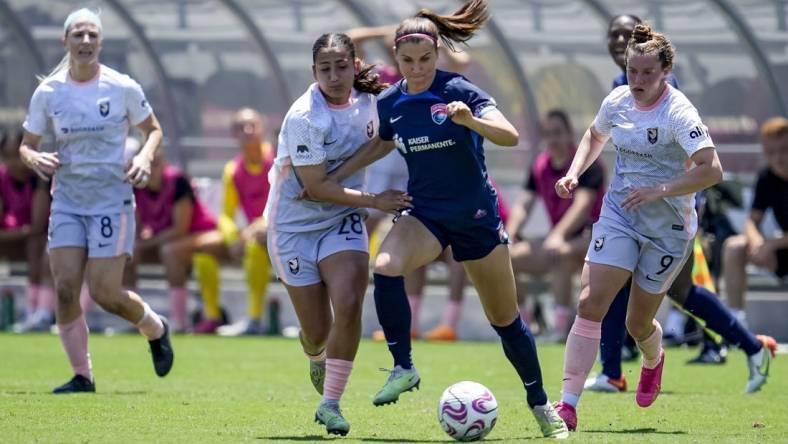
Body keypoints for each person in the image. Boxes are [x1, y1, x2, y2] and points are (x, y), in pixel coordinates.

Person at [330, 1, 568, 438]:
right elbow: (382, 143)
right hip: (426, 214)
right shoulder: (392, 100)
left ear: (437, 55)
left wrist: (471, 120)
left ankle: (540, 404)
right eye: (407, 60)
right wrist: (334, 174)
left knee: (505, 320)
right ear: (395, 59)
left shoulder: (461, 89)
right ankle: (403, 366)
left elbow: (511, 136)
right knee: (384, 266)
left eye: (425, 59)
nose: (417, 68)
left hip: (476, 216)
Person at [584, 14, 776, 396]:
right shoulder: (619, 88)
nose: (618, 40)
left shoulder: (664, 87)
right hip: (638, 208)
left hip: (674, 209)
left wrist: (691, 201)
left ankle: (749, 346)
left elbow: (691, 155)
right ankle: (612, 370)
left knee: (681, 290)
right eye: (613, 35)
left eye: (626, 33)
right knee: (637, 281)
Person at [552, 23, 725, 431]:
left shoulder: (678, 111)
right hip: (619, 214)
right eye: (633, 71)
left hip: (667, 229)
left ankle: (653, 358)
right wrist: (575, 172)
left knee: (636, 324)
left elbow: (712, 170)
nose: (638, 81)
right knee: (591, 301)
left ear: (665, 71)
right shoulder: (617, 101)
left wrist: (659, 190)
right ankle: (567, 404)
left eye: (648, 73)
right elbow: (594, 137)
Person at [19, 8, 173, 393]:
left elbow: (153, 130)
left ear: (100, 42)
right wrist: (33, 156)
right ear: (65, 42)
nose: (85, 42)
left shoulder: (121, 87)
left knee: (105, 293)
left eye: (92, 35)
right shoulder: (49, 92)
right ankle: (82, 375)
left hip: (111, 201)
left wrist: (142, 156)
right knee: (67, 287)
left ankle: (155, 327)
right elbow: (27, 145)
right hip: (68, 200)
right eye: (78, 35)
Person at [264, 32, 408, 436]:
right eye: (324, 68)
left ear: (355, 66)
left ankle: (331, 405)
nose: (333, 75)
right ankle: (315, 355)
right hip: (293, 226)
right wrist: (376, 201)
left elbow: (384, 142)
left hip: (341, 219)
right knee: (316, 332)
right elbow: (318, 188)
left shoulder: (371, 103)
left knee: (348, 300)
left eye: (341, 66)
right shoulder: (304, 117)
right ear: (314, 72)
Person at [507, 110, 605, 342]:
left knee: (559, 253)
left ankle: (560, 330)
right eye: (548, 134)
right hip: (559, 240)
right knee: (504, 258)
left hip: (595, 238)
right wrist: (508, 234)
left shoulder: (587, 163)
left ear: (570, 134)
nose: (553, 139)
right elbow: (523, 205)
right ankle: (525, 326)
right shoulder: (540, 166)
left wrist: (558, 235)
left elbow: (582, 207)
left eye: (558, 133)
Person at [124, 151, 221, 334]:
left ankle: (180, 322)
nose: (150, 169)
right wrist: (138, 241)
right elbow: (137, 226)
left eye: (155, 164)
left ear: (164, 164)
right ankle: (135, 319)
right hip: (163, 240)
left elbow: (180, 229)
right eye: (147, 164)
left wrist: (145, 243)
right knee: (128, 253)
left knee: (170, 252)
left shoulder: (178, 182)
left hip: (198, 234)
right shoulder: (136, 186)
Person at [215, 108, 274, 336]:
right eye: (241, 127)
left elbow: (285, 201)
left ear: (263, 128)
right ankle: (252, 319)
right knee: (203, 255)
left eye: (252, 125)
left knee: (256, 241)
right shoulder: (232, 170)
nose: (248, 131)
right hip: (257, 238)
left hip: (287, 230)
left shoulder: (278, 159)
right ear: (233, 134)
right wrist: (232, 239)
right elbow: (225, 215)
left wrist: (261, 225)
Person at [722, 117, 788, 320]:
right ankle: (736, 322)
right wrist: (757, 242)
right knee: (735, 246)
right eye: (771, 153)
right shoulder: (766, 178)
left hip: (778, 244)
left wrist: (770, 244)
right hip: (780, 250)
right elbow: (752, 220)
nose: (778, 158)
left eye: (784, 150)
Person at [0, 126, 55, 332]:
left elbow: (37, 226)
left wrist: (18, 233)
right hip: (14, 237)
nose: (15, 162)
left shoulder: (40, 178)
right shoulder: (2, 178)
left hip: (43, 238)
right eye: (8, 156)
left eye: (18, 155)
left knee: (36, 246)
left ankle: (36, 312)